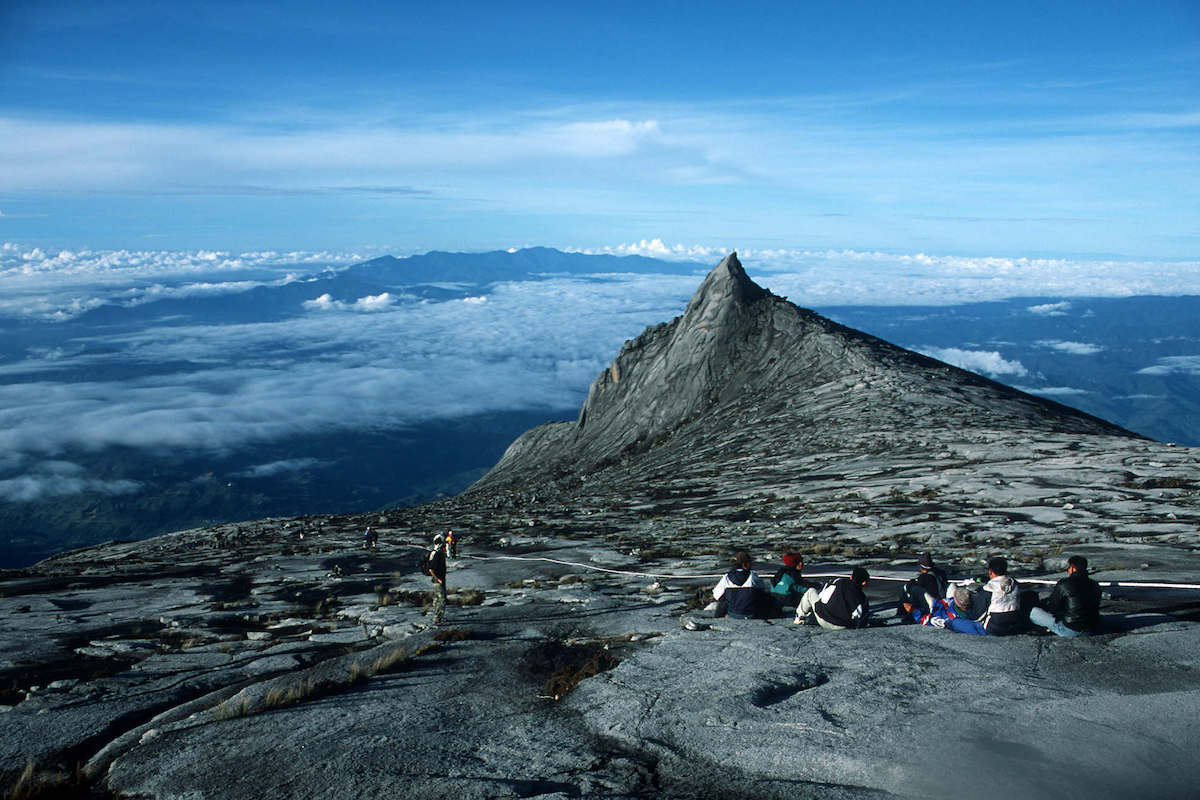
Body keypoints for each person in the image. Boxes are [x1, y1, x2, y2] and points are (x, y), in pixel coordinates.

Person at [944, 556, 1024, 636]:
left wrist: (965, 610)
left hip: (994, 628)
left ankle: (943, 622)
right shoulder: (1014, 584)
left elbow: (977, 616)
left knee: (956, 623)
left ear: (991, 572)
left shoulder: (989, 589)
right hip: (1013, 625)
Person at [1029, 555, 1102, 637]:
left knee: (1034, 613)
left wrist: (1042, 604)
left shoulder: (1065, 584)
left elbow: (1052, 606)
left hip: (1070, 630)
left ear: (1072, 568)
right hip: (1091, 628)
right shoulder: (1095, 584)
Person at [795, 567, 870, 630]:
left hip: (824, 619)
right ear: (864, 582)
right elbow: (859, 618)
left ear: (851, 577)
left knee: (811, 591)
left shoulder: (839, 582)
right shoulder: (862, 598)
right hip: (842, 626)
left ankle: (799, 617)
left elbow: (823, 596)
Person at [712, 551, 771, 619]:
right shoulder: (752, 577)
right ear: (745, 564)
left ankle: (717, 619)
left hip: (733, 614)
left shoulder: (727, 577)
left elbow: (717, 595)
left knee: (724, 601)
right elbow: (762, 593)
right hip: (751, 614)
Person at [427, 534, 447, 625]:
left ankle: (437, 617)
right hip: (439, 580)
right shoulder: (437, 554)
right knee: (441, 599)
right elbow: (431, 569)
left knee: (436, 599)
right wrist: (438, 579)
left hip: (438, 580)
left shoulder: (434, 553)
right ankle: (438, 619)